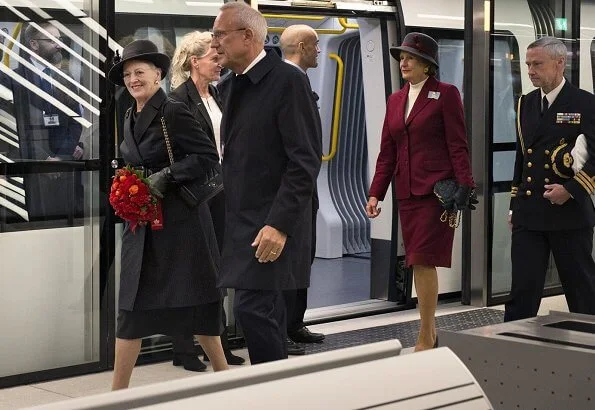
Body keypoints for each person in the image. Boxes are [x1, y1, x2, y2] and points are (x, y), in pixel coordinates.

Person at [107, 39, 229, 389]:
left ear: (158, 74)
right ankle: (117, 394)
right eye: (128, 74)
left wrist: (164, 177)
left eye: (140, 72)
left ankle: (225, 379)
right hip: (143, 229)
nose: (133, 79)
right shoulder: (129, 113)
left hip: (181, 227)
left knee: (198, 304)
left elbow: (207, 156)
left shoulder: (173, 110)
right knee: (130, 309)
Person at [212, 2, 322, 364]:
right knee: (263, 314)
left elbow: (304, 160)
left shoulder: (288, 82)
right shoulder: (230, 86)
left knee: (253, 309)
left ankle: (271, 390)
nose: (215, 44)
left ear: (247, 36)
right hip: (241, 222)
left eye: (220, 35)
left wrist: (279, 224)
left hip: (270, 223)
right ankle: (277, 390)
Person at [366, 32, 475, 351]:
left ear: (428, 65)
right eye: (401, 57)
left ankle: (425, 334)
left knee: (422, 259)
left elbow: (458, 145)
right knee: (417, 260)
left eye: (411, 57)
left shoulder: (447, 94)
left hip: (437, 193)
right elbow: (388, 151)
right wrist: (376, 193)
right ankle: (430, 329)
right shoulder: (395, 100)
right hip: (407, 194)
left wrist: (465, 185)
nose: (404, 61)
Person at [505, 37, 595, 321]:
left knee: (582, 291)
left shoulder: (585, 103)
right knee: (522, 291)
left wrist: (570, 190)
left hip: (569, 215)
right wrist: (513, 204)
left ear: (560, 63)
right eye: (528, 64)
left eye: (537, 64)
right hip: (529, 214)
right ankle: (511, 350)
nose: (530, 71)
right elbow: (523, 155)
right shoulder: (525, 104)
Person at [169, 30, 245, 367]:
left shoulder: (219, 95)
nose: (220, 62)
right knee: (194, 270)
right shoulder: (177, 101)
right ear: (193, 61)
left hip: (221, 192)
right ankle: (184, 348)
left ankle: (218, 344)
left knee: (219, 270)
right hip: (195, 195)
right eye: (214, 57)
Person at [6, 22, 84, 220]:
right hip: (31, 169)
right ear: (33, 44)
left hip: (65, 170)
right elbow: (13, 124)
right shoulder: (13, 79)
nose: (59, 45)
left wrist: (61, 157)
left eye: (60, 39)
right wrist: (44, 159)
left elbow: (75, 120)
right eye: (52, 40)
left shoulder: (66, 79)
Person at [279, 24, 325, 356]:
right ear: (300, 46)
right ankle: (278, 329)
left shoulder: (302, 81)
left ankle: (295, 322)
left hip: (306, 190)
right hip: (288, 190)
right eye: (315, 45)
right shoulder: (283, 82)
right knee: (285, 262)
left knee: (303, 258)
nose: (319, 51)